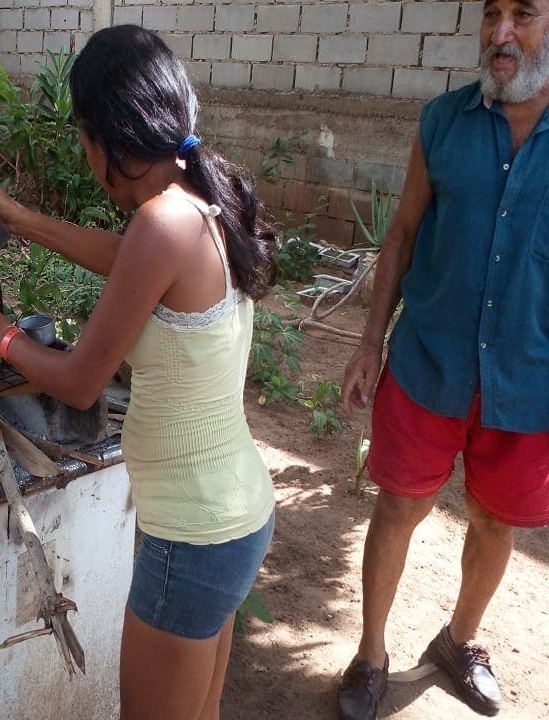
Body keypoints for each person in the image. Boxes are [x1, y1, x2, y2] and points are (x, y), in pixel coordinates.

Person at [0, 25, 278, 720]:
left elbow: (79, 381)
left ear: (103, 141)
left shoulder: (163, 225)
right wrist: (18, 218)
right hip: (229, 519)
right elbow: (125, 259)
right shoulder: (199, 202)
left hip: (193, 536)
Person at [336, 1, 549, 718]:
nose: (502, 33)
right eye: (492, 15)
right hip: (432, 363)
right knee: (399, 505)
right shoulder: (443, 123)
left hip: (529, 377)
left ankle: (458, 643)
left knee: (497, 519)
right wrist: (370, 342)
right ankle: (370, 653)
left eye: (524, 14)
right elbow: (399, 236)